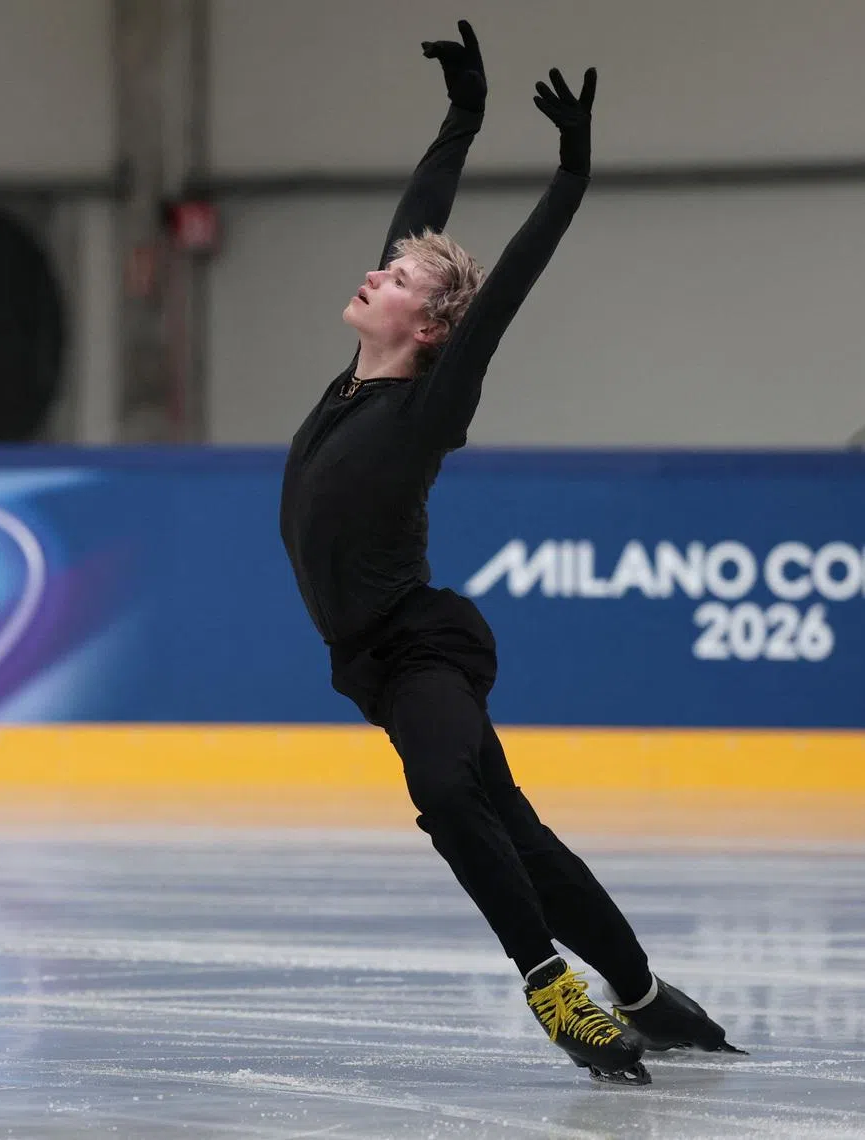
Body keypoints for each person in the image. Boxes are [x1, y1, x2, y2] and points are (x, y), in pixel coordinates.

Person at [279, 19, 743, 1084]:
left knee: (447, 796)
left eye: (397, 281)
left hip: (421, 650)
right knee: (515, 832)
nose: (377, 272)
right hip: (368, 661)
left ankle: (552, 987)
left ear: (432, 328)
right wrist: (463, 118)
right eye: (386, 268)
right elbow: (421, 221)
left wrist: (570, 176)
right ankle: (644, 996)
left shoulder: (429, 404)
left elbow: (503, 293)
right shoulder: (350, 385)